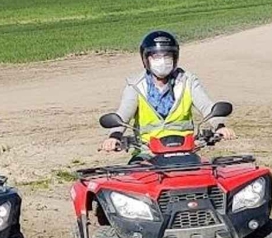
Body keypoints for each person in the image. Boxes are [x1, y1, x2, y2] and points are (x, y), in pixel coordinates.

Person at [100, 30, 234, 152]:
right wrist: (114, 136)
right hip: (147, 151)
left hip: (185, 149)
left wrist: (219, 126)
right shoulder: (135, 85)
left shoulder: (188, 81)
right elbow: (124, 114)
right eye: (156, 57)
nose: (162, 61)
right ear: (146, 59)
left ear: (175, 58)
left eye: (167, 56)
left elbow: (206, 107)